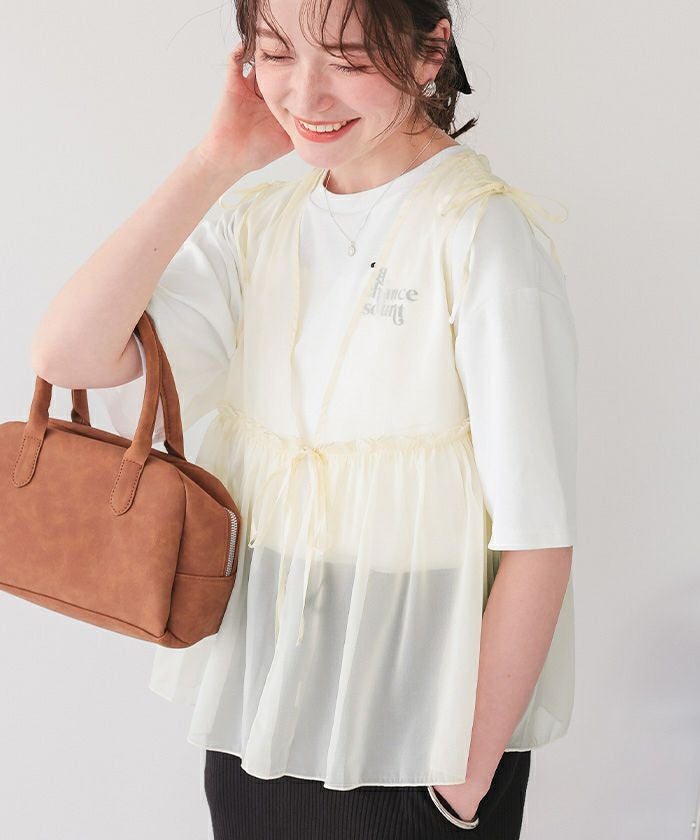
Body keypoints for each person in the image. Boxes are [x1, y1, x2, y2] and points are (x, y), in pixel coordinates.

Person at [31, 1, 578, 837]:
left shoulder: (479, 233)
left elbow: (538, 538)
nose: (306, 94)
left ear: (430, 51)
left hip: (420, 735)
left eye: (348, 56)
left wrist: (460, 785)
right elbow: (68, 354)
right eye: (276, 53)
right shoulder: (258, 226)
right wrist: (214, 161)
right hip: (261, 719)